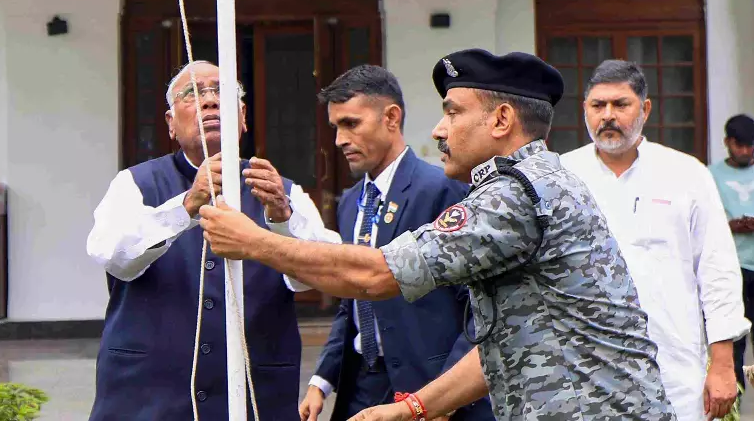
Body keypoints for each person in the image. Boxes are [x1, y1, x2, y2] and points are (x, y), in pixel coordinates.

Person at [198, 48, 675, 421]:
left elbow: (376, 275)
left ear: (501, 120)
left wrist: (254, 242)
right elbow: (500, 348)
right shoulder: (534, 180)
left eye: (453, 112)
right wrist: (412, 409)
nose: (438, 130)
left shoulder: (514, 195)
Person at [86, 60, 337, 421]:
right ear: (171, 123)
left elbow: (321, 273)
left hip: (255, 394)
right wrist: (187, 205)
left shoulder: (282, 191)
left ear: (243, 116)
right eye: (192, 93)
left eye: (222, 92)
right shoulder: (135, 184)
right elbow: (112, 255)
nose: (210, 101)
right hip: (147, 399)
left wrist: (283, 218)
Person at [298, 66, 493, 421]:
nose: (340, 139)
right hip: (363, 384)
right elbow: (351, 301)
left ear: (391, 117)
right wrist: (321, 380)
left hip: (429, 385)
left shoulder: (441, 189)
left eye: (351, 124)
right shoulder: (350, 202)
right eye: (336, 127)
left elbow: (477, 306)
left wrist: (445, 397)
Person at [560, 60, 747, 421]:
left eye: (621, 104)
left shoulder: (686, 173)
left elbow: (716, 269)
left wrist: (723, 364)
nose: (608, 115)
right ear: (584, 109)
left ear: (645, 109)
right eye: (598, 105)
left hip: (673, 367)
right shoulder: (562, 176)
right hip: (582, 370)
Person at [709, 113, 754, 409]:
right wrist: (732, 225)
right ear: (727, 142)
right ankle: (733, 407)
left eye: (749, 146)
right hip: (731, 268)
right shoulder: (711, 175)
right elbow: (706, 218)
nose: (745, 151)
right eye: (739, 145)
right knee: (734, 340)